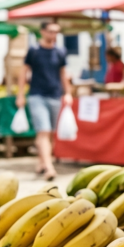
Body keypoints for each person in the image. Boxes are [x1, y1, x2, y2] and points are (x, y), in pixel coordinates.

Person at [17, 22, 71, 181]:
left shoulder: (60, 51)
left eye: (56, 32)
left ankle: (41, 162)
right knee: (44, 130)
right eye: (51, 31)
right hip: (37, 95)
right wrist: (21, 94)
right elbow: (23, 72)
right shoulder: (34, 51)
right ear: (42, 32)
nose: (53, 35)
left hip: (55, 95)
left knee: (51, 134)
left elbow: (63, 73)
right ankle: (49, 167)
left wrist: (67, 93)